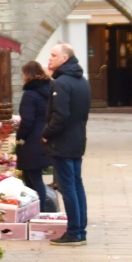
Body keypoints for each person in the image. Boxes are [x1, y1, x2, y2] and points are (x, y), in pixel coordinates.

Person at [42, 43, 91, 246]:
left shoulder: (61, 83)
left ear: (64, 58)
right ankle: (80, 229)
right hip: (78, 139)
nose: (49, 59)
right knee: (77, 185)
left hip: (62, 142)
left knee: (67, 186)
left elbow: (60, 116)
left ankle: (73, 232)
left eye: (53, 55)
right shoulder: (83, 82)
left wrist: (46, 134)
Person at [16, 60, 55, 212]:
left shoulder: (30, 94)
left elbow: (27, 120)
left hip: (31, 141)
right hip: (44, 137)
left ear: (27, 74)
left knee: (34, 178)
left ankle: (41, 211)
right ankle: (34, 209)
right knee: (32, 176)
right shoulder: (50, 90)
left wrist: (20, 138)